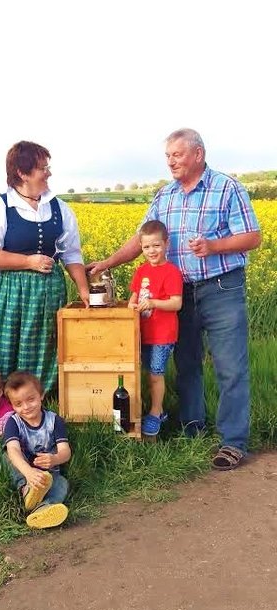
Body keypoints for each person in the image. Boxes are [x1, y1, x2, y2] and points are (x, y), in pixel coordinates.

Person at [88, 128, 261, 470]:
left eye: (177, 155)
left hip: (221, 287)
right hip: (179, 293)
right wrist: (109, 262)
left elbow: (252, 236)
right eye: (168, 156)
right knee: (186, 365)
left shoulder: (226, 188)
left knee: (230, 367)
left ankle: (233, 441)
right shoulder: (164, 196)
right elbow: (142, 240)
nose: (171, 161)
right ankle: (192, 429)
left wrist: (214, 246)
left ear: (198, 154)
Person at [0, 141, 89, 429]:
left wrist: (84, 290)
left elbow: (71, 253)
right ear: (22, 172)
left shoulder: (59, 208)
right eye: (42, 168)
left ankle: (38, 423)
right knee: (3, 353)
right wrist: (29, 262)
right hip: (10, 294)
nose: (48, 173)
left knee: (45, 353)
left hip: (48, 294)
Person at [128, 220, 183, 437]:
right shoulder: (141, 271)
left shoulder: (171, 272)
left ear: (166, 244)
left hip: (162, 334)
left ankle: (156, 411)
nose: (152, 251)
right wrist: (132, 305)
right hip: (143, 332)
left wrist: (152, 303)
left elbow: (176, 303)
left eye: (156, 246)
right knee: (143, 373)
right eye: (146, 247)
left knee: (155, 374)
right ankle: (145, 408)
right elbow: (134, 296)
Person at [3, 371, 71, 529]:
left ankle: (41, 509)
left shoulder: (54, 421)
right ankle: (26, 489)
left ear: (41, 395)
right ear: (12, 406)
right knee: (8, 454)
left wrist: (55, 459)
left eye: (31, 400)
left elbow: (65, 451)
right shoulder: (13, 422)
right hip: (24, 472)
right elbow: (13, 450)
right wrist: (28, 472)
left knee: (62, 483)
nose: (26, 407)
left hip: (48, 475)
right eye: (18, 404)